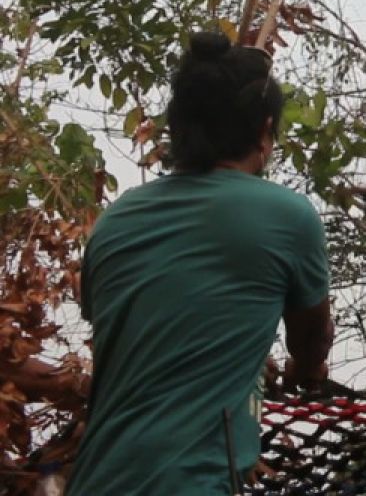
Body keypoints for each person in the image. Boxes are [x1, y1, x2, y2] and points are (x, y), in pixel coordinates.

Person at [67, 32, 334, 495]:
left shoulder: (115, 222)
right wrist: (305, 371)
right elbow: (311, 337)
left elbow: (155, 328)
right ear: (265, 129)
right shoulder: (288, 216)